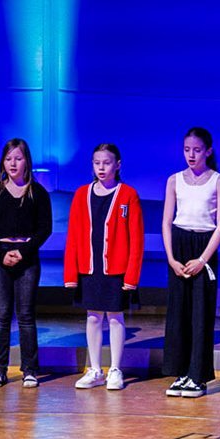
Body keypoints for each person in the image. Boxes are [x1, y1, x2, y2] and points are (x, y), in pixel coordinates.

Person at [64, 143, 144, 391]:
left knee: (116, 317)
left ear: (117, 165)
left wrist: (131, 276)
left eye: (106, 163)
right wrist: (71, 274)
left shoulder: (128, 195)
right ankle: (96, 369)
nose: (101, 167)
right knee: (93, 317)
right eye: (97, 162)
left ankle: (116, 369)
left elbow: (136, 239)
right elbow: (74, 235)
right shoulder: (81, 194)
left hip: (116, 270)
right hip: (90, 267)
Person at [162, 127, 220, 399]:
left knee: (201, 314)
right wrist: (171, 259)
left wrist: (203, 260)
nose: (191, 154)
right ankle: (181, 373)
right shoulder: (174, 180)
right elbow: (166, 221)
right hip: (179, 246)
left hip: (204, 248)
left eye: (197, 150)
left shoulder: (218, 181)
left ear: (208, 151)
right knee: (179, 313)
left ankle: (198, 376)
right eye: (187, 149)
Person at [0, 138, 52, 389]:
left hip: (28, 260)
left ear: (26, 161)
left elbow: (45, 229)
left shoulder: (38, 193)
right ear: (3, 161)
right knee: (1, 316)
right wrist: (2, 254)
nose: (13, 163)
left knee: (25, 316)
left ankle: (30, 370)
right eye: (9, 158)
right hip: (0, 259)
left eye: (18, 158)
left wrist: (23, 251)